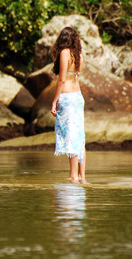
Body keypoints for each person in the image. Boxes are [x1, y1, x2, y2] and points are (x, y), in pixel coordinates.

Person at [50, 27, 86, 183]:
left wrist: (54, 100)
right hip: (78, 97)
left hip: (68, 98)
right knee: (79, 137)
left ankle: (73, 176)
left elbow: (62, 80)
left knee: (71, 136)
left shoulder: (65, 53)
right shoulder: (79, 55)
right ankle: (82, 176)